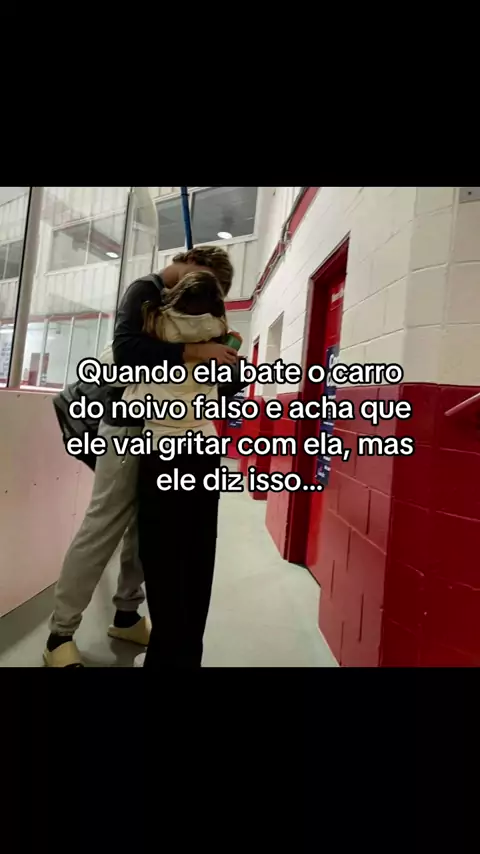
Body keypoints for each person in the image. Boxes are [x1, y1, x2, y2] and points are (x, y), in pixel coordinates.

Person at [44, 246, 240, 667]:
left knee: (145, 534)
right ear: (194, 263)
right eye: (204, 281)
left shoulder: (176, 304)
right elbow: (128, 352)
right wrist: (196, 352)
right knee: (104, 525)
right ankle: (60, 632)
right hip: (125, 426)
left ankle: (126, 614)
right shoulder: (143, 290)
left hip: (164, 432)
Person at [130, 272, 236, 667]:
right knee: (197, 556)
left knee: (161, 558)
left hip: (161, 449)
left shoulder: (154, 327)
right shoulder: (221, 337)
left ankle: (162, 657)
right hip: (203, 450)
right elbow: (228, 384)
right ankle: (188, 656)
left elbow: (123, 354)